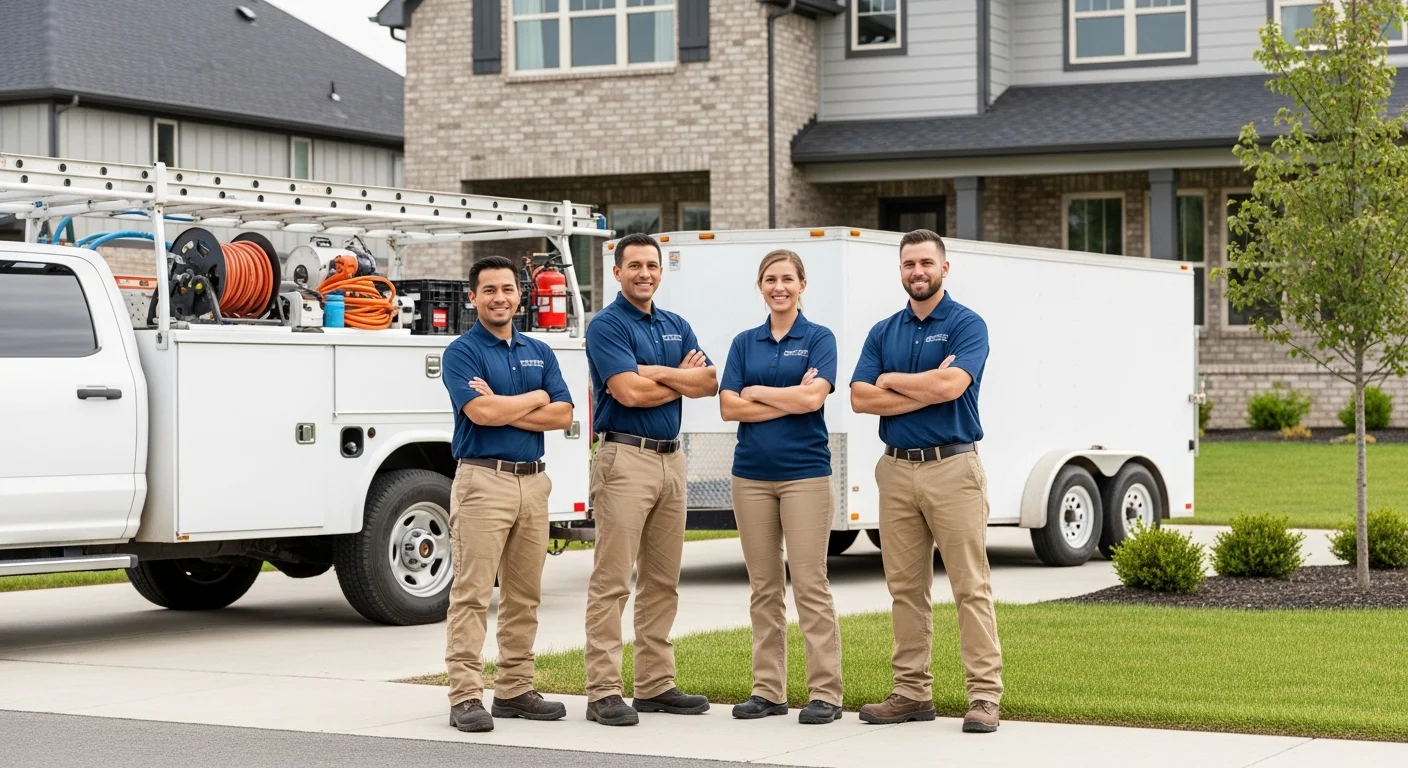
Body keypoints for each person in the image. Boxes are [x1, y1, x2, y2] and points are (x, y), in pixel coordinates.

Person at [848, 229, 1003, 734]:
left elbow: (952, 384)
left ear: (944, 268)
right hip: (895, 469)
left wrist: (891, 380)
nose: (918, 271)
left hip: (952, 467)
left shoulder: (966, 324)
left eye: (926, 263)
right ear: (900, 270)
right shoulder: (882, 331)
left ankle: (983, 696)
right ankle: (911, 692)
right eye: (909, 264)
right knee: (905, 589)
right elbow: (859, 397)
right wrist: (919, 388)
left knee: (969, 585)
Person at [582, 231, 719, 727]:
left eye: (652, 265)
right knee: (613, 579)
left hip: (671, 460)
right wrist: (672, 377)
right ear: (617, 272)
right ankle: (602, 691)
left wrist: (651, 373)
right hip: (625, 458)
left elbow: (708, 382)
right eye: (634, 265)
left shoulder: (675, 323)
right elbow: (628, 394)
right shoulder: (606, 326)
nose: (644, 273)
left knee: (663, 580)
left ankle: (656, 685)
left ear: (662, 272)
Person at [440, 255, 575, 733]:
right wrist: (536, 398)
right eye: (489, 290)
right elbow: (479, 414)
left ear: (521, 296)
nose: (500, 298)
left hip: (533, 483)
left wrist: (507, 406)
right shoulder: (462, 352)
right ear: (472, 297)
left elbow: (564, 416)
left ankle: (515, 689)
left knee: (524, 594)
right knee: (473, 594)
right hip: (483, 481)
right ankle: (466, 697)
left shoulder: (541, 350)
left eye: (508, 289)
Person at [718, 249, 844, 725]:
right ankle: (768, 691)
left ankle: (825, 694)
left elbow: (814, 398)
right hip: (750, 475)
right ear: (760, 286)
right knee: (764, 588)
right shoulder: (744, 342)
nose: (779, 287)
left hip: (805, 476)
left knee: (811, 584)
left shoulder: (819, 338)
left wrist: (756, 392)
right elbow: (728, 407)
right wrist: (787, 399)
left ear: (802, 285)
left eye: (788, 279)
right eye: (770, 279)